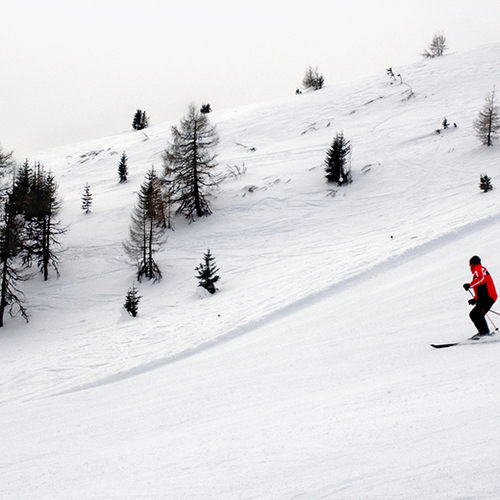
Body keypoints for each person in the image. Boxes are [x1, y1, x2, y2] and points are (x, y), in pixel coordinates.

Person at [463, 256, 497, 337]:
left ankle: (484, 333)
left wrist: (470, 285)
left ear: (471, 264)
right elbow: (481, 289)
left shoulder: (479, 269)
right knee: (475, 314)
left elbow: (481, 279)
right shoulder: (477, 272)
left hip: (488, 297)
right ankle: (484, 333)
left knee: (475, 314)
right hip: (485, 298)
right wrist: (475, 299)